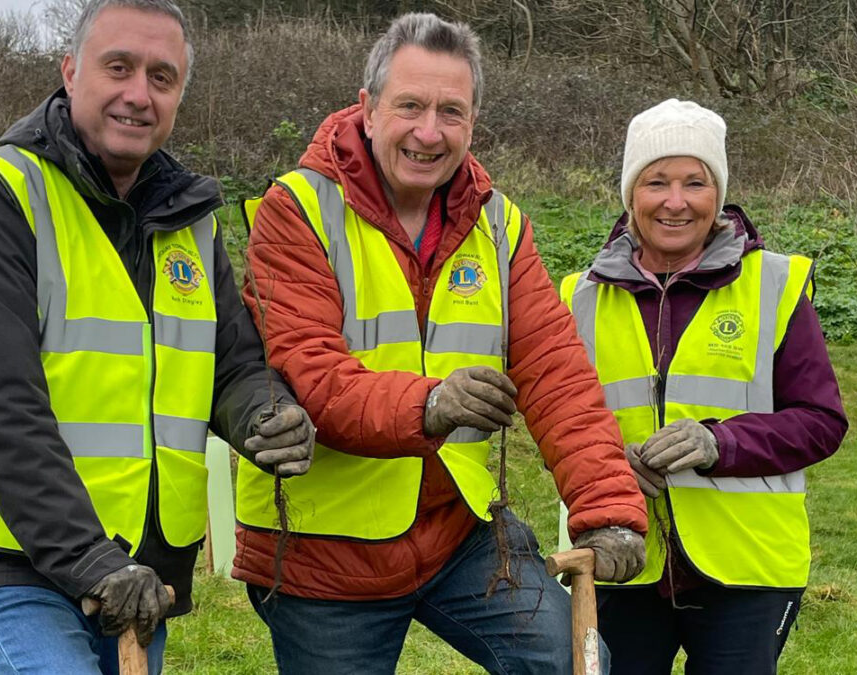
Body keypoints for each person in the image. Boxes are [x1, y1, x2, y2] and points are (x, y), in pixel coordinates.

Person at [237, 12, 647, 674]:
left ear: (473, 123)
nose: (430, 132)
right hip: (325, 555)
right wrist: (432, 403)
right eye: (410, 107)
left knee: (577, 663)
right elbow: (312, 375)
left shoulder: (499, 223)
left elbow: (555, 371)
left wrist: (609, 509)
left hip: (457, 532)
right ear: (368, 110)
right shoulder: (297, 210)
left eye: (451, 112)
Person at [0, 1, 314, 672]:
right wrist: (89, 559)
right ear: (71, 73)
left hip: (140, 570)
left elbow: (232, 364)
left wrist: (263, 414)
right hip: (13, 557)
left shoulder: (188, 219)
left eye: (162, 77)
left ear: (180, 96)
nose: (139, 93)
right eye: (118, 68)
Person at [559, 98, 848, 674]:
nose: (675, 201)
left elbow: (821, 421)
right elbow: (555, 424)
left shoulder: (776, 283)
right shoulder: (576, 298)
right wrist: (609, 466)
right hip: (619, 556)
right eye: (656, 181)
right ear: (629, 193)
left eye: (695, 182)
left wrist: (722, 443)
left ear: (717, 193)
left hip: (748, 565)